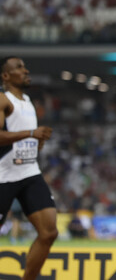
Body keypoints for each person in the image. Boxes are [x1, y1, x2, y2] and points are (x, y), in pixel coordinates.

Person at [0, 56, 56, 280]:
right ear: (6, 76)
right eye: (19, 68)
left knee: (49, 232)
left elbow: (26, 137)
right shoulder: (3, 100)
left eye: (24, 67)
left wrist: (37, 141)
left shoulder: (28, 101)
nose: (25, 70)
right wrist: (32, 133)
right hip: (3, 175)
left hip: (29, 171)